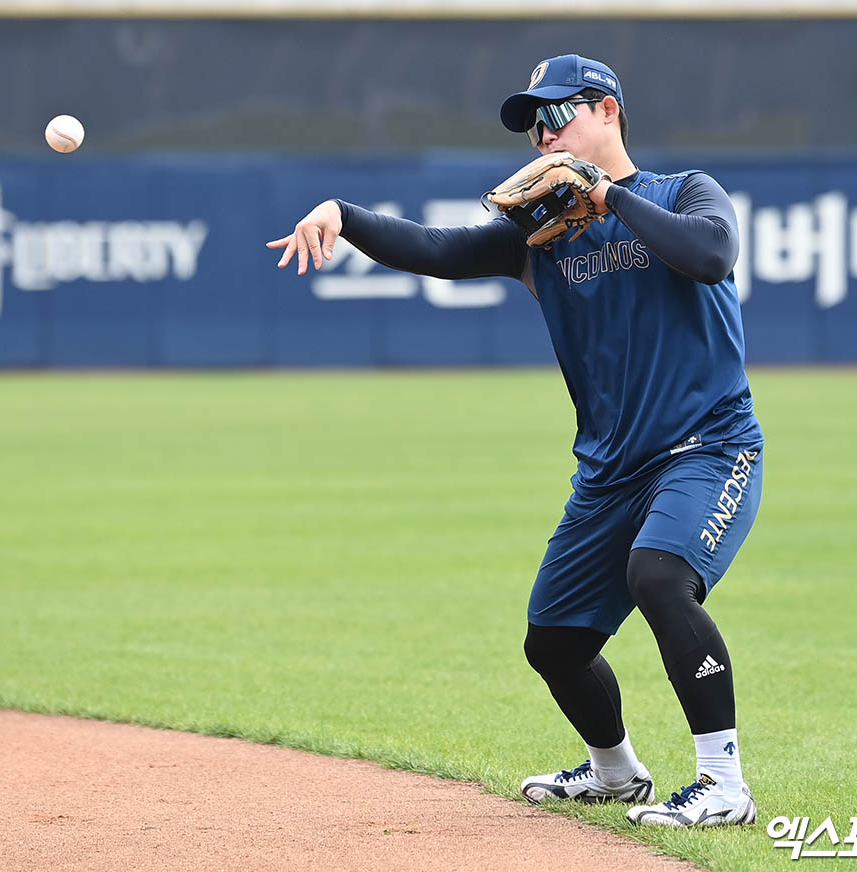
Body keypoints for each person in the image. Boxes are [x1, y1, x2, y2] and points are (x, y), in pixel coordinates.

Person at [267, 53, 763, 829]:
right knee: (554, 642)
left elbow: (711, 255)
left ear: (607, 110)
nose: (542, 135)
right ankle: (616, 774)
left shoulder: (685, 193)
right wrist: (344, 213)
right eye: (532, 126)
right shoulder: (539, 235)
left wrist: (606, 195)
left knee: (660, 576)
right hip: (610, 472)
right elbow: (435, 250)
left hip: (708, 448)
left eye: (556, 114)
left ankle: (724, 784)